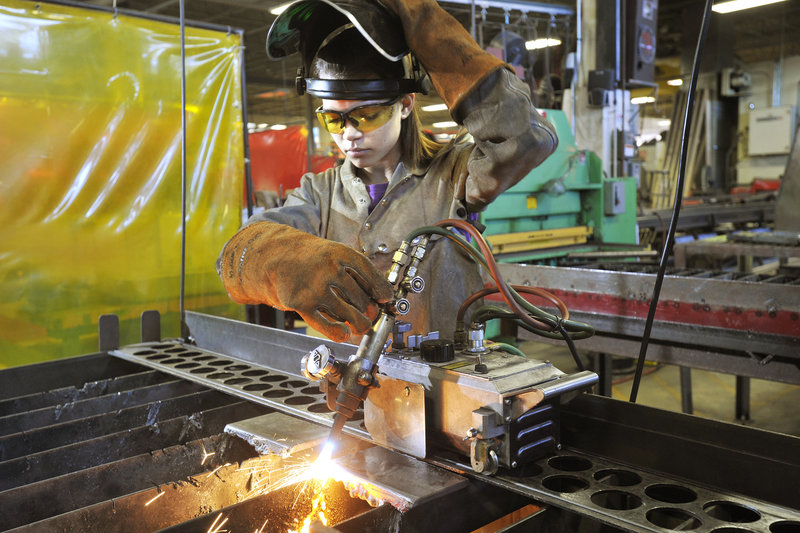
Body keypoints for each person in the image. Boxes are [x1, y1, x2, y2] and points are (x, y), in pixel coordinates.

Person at [217, 0, 557, 344]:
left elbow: (528, 139)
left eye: (367, 115)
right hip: (354, 380)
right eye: (333, 119)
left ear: (405, 105)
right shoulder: (318, 193)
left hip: (449, 377)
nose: (348, 133)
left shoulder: (454, 175)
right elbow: (235, 256)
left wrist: (424, 23)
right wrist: (287, 260)